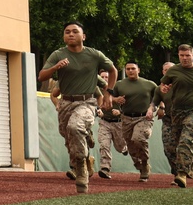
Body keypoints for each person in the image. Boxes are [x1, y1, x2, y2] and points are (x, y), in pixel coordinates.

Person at [37, 21, 117, 194]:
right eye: (67, 32)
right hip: (66, 102)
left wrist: (109, 93)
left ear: (83, 36)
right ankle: (86, 156)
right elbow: (41, 76)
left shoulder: (94, 54)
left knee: (75, 127)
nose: (70, 34)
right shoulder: (58, 54)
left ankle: (81, 171)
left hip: (87, 102)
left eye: (74, 31)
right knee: (69, 140)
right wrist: (56, 67)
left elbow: (113, 70)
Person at [158, 44, 193, 188]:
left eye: (187, 55)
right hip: (176, 112)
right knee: (176, 145)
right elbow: (162, 85)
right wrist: (164, 88)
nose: (184, 58)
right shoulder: (173, 71)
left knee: (185, 140)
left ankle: (182, 174)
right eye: (181, 55)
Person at [110, 61, 157, 182]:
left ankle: (145, 163)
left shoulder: (149, 84)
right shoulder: (119, 85)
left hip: (143, 117)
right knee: (130, 145)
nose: (130, 71)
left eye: (133, 68)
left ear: (138, 70)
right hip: (126, 118)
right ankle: (140, 166)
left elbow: (159, 97)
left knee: (138, 138)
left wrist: (155, 108)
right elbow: (110, 98)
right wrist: (116, 99)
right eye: (128, 69)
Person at [96, 67, 127, 179]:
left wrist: (120, 112)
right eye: (102, 77)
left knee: (119, 147)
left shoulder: (119, 88)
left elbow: (129, 104)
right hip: (104, 122)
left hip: (118, 123)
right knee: (104, 145)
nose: (104, 79)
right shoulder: (97, 89)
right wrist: (98, 110)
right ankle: (105, 168)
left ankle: (124, 147)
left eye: (107, 77)